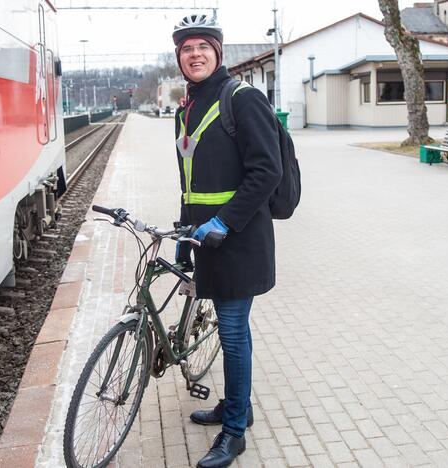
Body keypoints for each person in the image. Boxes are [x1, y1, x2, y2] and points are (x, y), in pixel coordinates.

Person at [171, 14, 283, 468]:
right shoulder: (187, 108)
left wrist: (224, 222)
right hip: (205, 240)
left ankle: (234, 431)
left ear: (218, 51)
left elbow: (267, 171)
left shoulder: (243, 97)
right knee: (233, 331)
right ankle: (239, 407)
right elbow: (189, 182)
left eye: (203, 45)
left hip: (239, 241)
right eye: (185, 48)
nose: (194, 54)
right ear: (178, 58)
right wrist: (183, 234)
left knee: (233, 335)